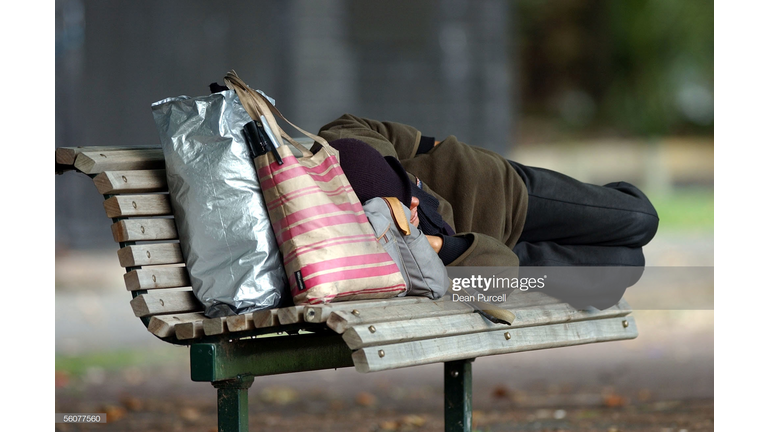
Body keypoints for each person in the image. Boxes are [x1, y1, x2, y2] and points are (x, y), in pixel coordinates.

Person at [318, 114, 659, 308]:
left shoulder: (346, 161)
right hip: (503, 253)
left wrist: (435, 151)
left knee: (640, 218)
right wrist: (437, 247)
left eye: (411, 197)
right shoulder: (399, 251)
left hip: (504, 191)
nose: (416, 205)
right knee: (623, 268)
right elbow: (501, 270)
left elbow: (347, 126)